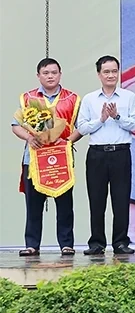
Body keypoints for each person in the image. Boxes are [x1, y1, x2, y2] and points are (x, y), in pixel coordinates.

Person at [13, 58, 81, 257]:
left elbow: (82, 126)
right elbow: (15, 125)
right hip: (33, 159)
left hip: (61, 160)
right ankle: (32, 245)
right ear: (38, 76)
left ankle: (66, 244)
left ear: (60, 74)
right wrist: (29, 137)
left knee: (65, 206)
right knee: (33, 206)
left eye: (54, 72)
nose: (50, 76)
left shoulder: (72, 98)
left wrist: (68, 141)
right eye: (46, 73)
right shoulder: (28, 98)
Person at [77, 56, 135, 256]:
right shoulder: (89, 99)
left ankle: (120, 242)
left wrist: (117, 117)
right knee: (96, 200)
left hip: (121, 153)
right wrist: (101, 119)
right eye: (106, 72)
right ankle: (96, 242)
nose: (111, 75)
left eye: (114, 71)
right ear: (99, 75)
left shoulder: (128, 97)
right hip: (97, 154)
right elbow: (82, 127)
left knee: (121, 200)